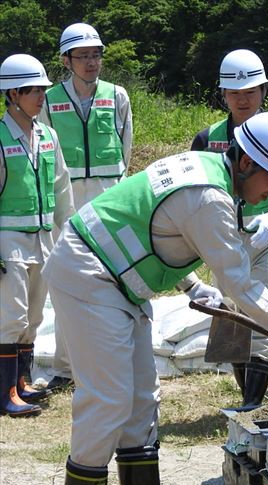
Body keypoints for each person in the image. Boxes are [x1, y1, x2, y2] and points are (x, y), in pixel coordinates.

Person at [41, 112, 268, 485]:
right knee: (108, 398)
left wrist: (189, 282)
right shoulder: (210, 197)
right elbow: (241, 286)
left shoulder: (207, 170)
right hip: (89, 275)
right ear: (246, 164)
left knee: (143, 397)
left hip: (117, 277)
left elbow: (148, 221)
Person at [40, 23, 133, 394]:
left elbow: (126, 148)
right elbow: (44, 150)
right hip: (68, 200)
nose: (92, 62)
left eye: (96, 54)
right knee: (69, 281)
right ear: (66, 60)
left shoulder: (118, 96)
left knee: (117, 278)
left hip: (109, 197)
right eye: (83, 56)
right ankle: (65, 367)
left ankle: (113, 358)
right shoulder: (48, 99)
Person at [191, 49, 268, 409]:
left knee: (263, 311)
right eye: (235, 93)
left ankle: (254, 403)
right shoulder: (207, 138)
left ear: (263, 92)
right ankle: (246, 396)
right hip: (223, 237)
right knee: (233, 317)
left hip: (266, 238)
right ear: (223, 95)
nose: (243, 99)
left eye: (251, 92)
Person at [0, 54, 74, 417]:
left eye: (44, 90)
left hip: (43, 239)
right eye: (36, 91)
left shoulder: (48, 135)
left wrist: (72, 233)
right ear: (13, 93)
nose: (42, 97)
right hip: (8, 240)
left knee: (33, 317)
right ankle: (5, 393)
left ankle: (23, 383)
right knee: (10, 317)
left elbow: (62, 190)